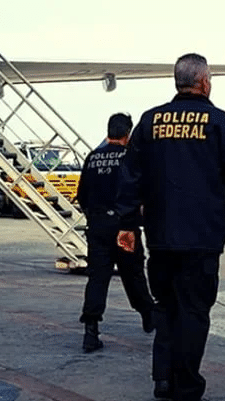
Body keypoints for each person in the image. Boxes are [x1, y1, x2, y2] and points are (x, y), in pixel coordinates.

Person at [115, 53, 225, 401]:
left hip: (161, 236)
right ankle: (186, 393)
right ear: (205, 82)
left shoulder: (149, 122)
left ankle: (163, 380)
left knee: (166, 308)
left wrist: (127, 224)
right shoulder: (219, 122)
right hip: (202, 237)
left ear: (177, 81)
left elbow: (130, 177)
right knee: (194, 312)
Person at [77, 113, 156, 353]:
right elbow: (141, 191)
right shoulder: (131, 157)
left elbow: (82, 195)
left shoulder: (92, 158)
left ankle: (90, 331)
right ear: (127, 134)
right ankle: (148, 314)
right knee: (133, 274)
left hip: (98, 227)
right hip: (125, 228)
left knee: (97, 278)